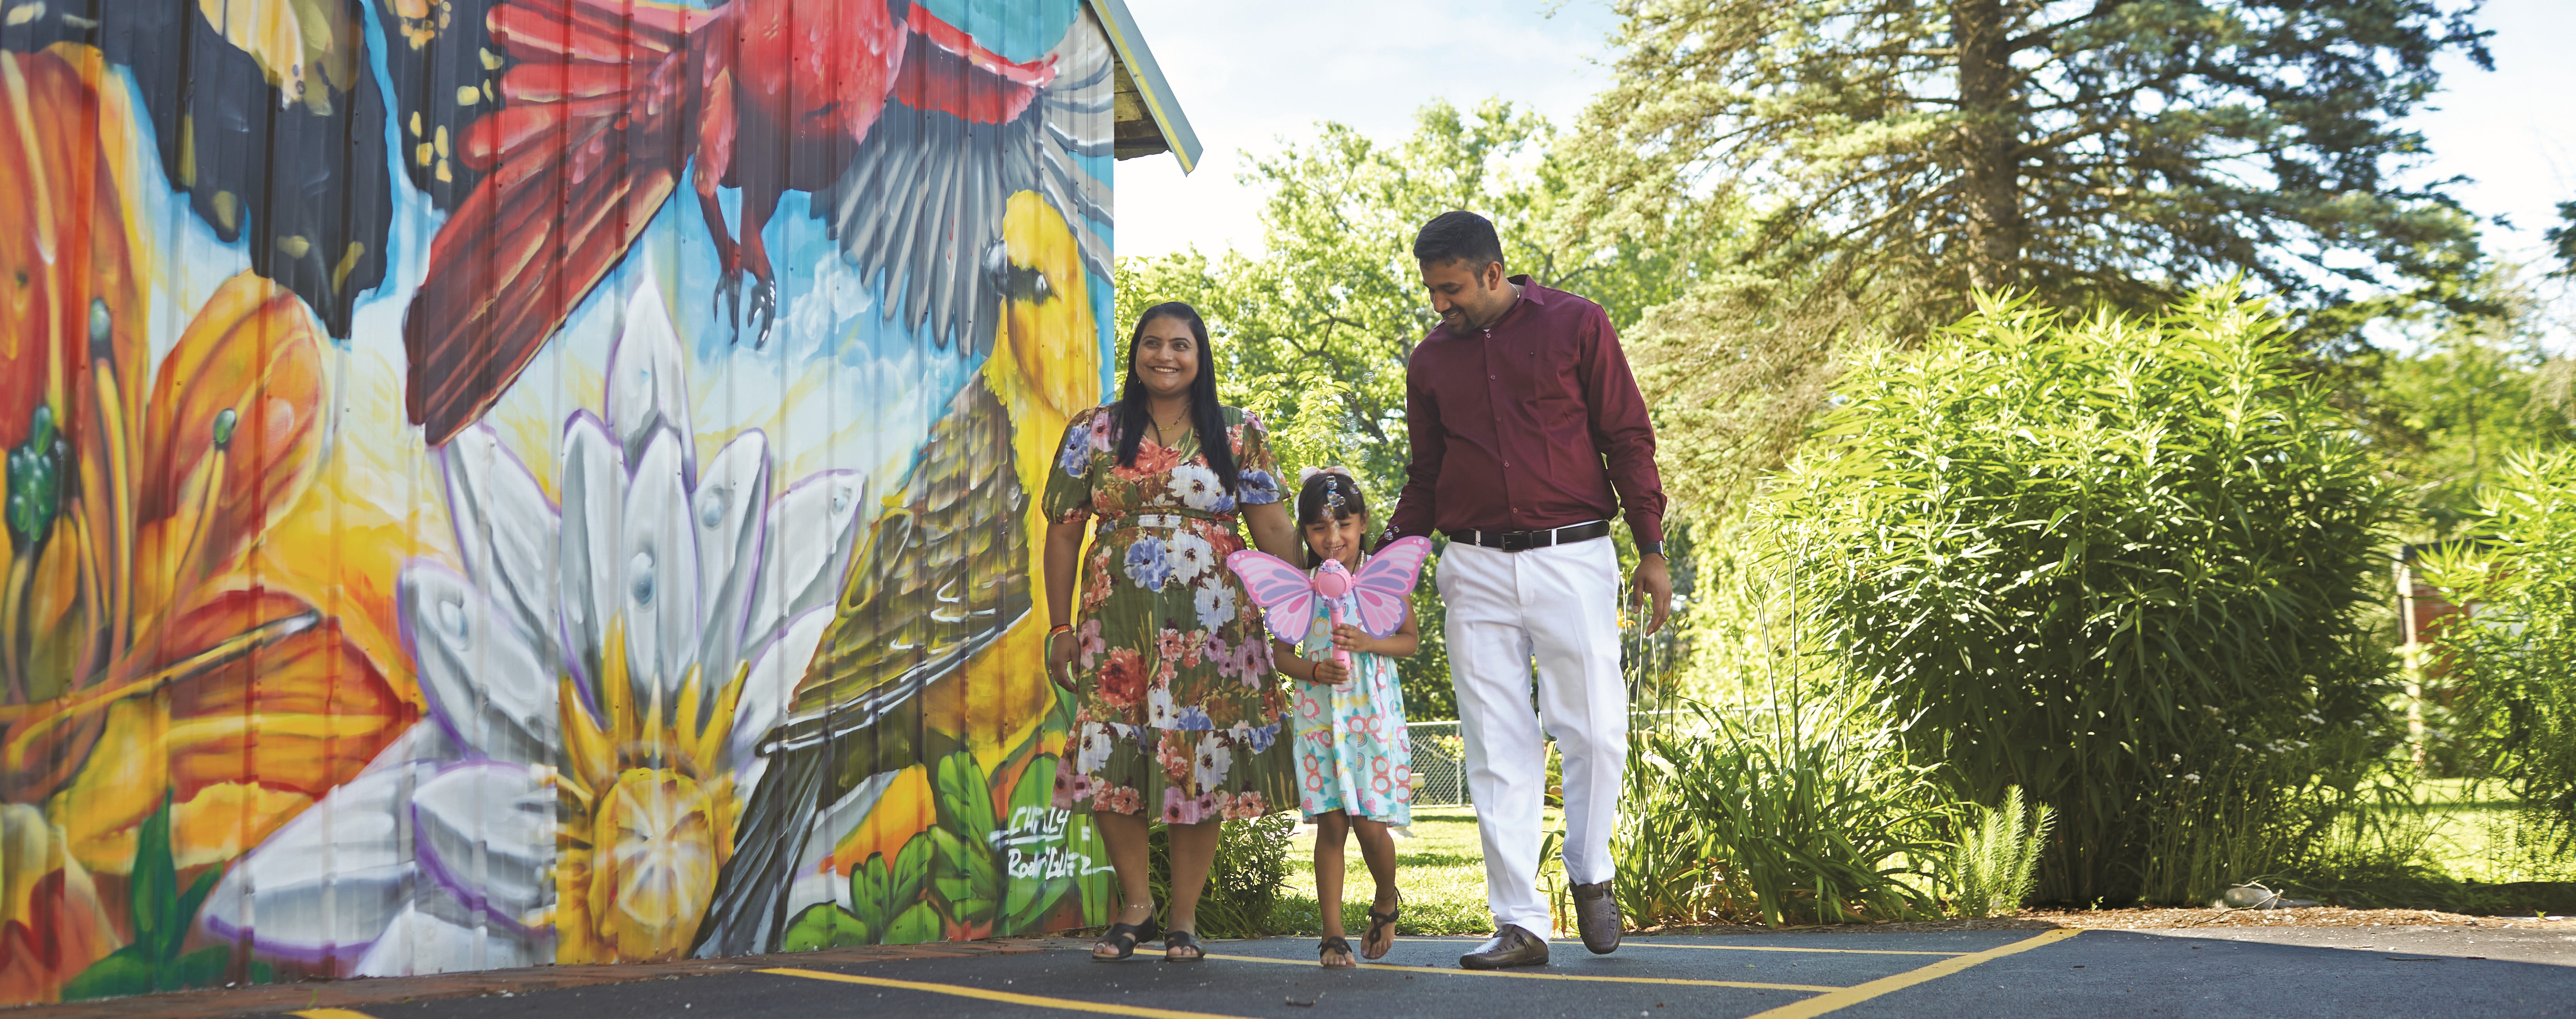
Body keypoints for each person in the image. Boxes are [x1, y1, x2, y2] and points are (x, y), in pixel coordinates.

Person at [1385, 210, 1672, 971]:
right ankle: (1519, 921)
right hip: (1473, 564)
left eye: (1451, 289)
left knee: (1596, 728)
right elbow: (1425, 476)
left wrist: (1651, 547)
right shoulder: (1430, 361)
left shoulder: (1578, 324)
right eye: (1431, 290)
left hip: (1572, 556)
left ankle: (1590, 867)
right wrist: (1390, 563)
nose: (1440, 304)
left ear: (1492, 272)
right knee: (1495, 745)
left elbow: (1627, 437)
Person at [1043, 301, 1302, 964]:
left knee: (1200, 761)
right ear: (1136, 354)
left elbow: (1274, 530)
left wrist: (1300, 617)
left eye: (1180, 345)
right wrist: (1060, 625)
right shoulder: (1094, 431)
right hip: (1114, 624)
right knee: (1109, 751)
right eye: (1153, 343)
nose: (1166, 355)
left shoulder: (1238, 430)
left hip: (1213, 627)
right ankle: (1137, 907)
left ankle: (1183, 918)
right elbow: (1064, 531)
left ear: (1200, 356)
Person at [1267, 468, 1418, 969]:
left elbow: (1409, 640)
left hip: (1372, 720)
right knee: (1331, 826)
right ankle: (1332, 935)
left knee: (1370, 826)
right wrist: (1314, 670)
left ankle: (1386, 899)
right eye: (1318, 529)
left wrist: (1370, 641)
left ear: (1363, 523)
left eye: (1344, 525)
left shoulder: (1381, 576)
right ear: (1306, 532)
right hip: (1320, 722)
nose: (1333, 539)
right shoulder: (1302, 586)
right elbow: (1280, 654)